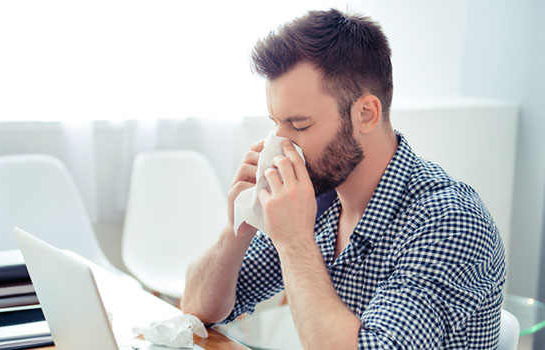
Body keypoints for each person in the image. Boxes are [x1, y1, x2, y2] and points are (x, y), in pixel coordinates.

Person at [181, 8, 505, 350]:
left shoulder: (449, 221)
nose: (280, 144)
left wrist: (294, 242)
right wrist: (238, 228)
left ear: (366, 114)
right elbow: (199, 310)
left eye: (300, 125)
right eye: (276, 123)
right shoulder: (321, 197)